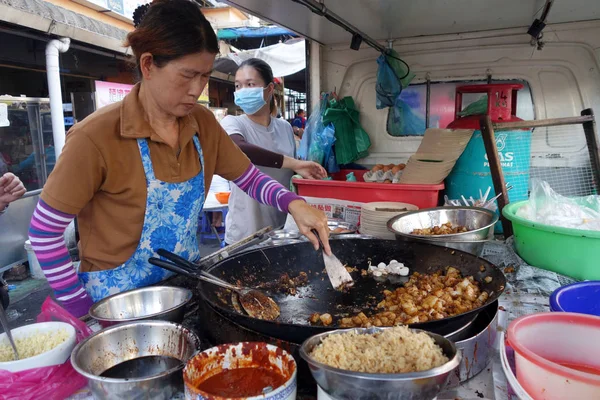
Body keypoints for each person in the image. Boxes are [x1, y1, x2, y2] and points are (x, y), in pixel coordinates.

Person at [28, 0, 330, 318]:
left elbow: (249, 178)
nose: (196, 89)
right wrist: (82, 310)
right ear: (148, 65)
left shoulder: (203, 124)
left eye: (204, 76)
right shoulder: (95, 136)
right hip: (114, 306)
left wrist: (293, 204)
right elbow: (45, 233)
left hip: (185, 291)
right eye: (187, 75)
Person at [221, 59, 327, 245]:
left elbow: (286, 170)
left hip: (279, 231)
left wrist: (302, 171)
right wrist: (294, 164)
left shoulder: (284, 128)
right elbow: (239, 149)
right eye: (238, 86)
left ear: (269, 90)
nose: (242, 91)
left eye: (250, 84)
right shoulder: (233, 123)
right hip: (244, 234)